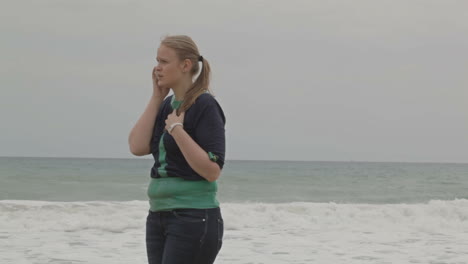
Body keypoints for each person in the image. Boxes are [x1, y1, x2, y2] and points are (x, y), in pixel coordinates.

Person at [128, 35, 226, 264]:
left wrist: (178, 130)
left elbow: (212, 171)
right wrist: (156, 98)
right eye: (157, 61)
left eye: (164, 61)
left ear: (185, 65)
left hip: (193, 216)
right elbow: (137, 146)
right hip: (158, 216)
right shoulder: (165, 105)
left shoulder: (205, 105)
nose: (157, 68)